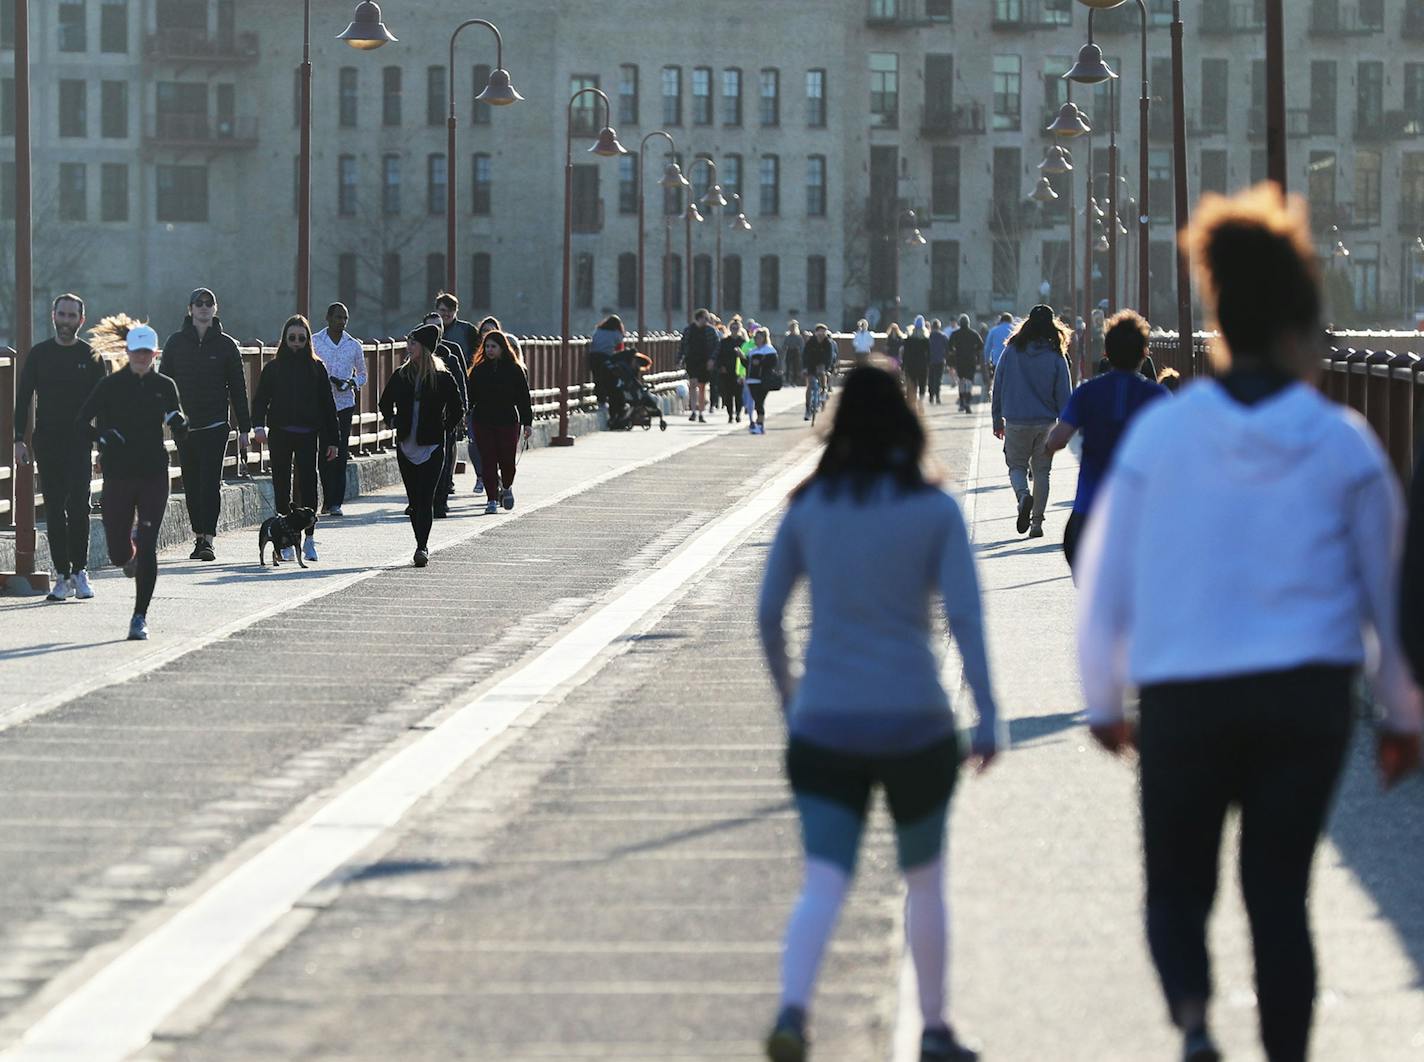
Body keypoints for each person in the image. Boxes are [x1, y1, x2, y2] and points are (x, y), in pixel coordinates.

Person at [1078, 183, 1422, 1062]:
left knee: (1177, 884)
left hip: (1184, 692)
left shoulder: (1163, 436)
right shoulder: (1345, 442)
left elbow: (1107, 578)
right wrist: (1403, 713)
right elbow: (1388, 596)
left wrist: (1101, 696)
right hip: (1304, 697)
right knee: (1279, 894)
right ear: (1303, 334)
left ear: (1222, 324)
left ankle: (1194, 1023)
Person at [758, 362, 1000, 1062]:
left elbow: (769, 615)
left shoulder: (809, 505)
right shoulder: (934, 508)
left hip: (826, 718)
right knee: (923, 879)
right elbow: (965, 616)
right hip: (916, 718)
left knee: (826, 877)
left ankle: (794, 1011)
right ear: (907, 418)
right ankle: (935, 1029)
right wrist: (987, 712)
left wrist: (790, 697)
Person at [76, 319, 188, 641]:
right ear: (127, 352)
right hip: (119, 475)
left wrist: (179, 423)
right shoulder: (110, 386)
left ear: (154, 353)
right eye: (136, 352)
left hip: (153, 472)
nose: (141, 357)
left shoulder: (165, 385)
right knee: (118, 553)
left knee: (150, 546)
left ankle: (139, 617)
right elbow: (80, 422)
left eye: (146, 352)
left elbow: (178, 424)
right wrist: (101, 436)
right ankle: (130, 557)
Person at [1043, 310, 1168, 572]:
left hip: (1091, 510)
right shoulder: (1156, 396)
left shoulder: (1088, 392)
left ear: (1106, 353)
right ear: (1144, 353)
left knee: (1087, 578)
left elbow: (1058, 439)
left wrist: (1047, 447)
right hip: (1141, 515)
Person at [13, 293, 107, 601]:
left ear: (81, 319)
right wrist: (18, 440)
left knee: (79, 507)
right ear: (53, 316)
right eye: (61, 314)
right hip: (48, 440)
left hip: (80, 441)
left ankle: (80, 572)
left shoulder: (91, 356)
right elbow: (23, 397)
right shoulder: (40, 355)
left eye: (71, 316)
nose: (66, 321)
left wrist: (104, 447)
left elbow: (104, 406)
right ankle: (62, 576)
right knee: (53, 509)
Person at [161, 288, 252, 563]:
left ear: (215, 309)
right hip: (185, 427)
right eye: (198, 304)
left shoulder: (226, 345)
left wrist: (245, 428)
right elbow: (163, 384)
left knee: (210, 483)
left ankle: (208, 540)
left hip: (215, 425)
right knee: (191, 482)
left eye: (208, 303)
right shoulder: (176, 343)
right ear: (190, 309)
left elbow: (238, 388)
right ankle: (198, 535)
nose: (203, 308)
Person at [250, 315, 340, 564]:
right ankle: (283, 540)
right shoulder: (273, 368)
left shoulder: (317, 368)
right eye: (292, 338)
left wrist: (334, 440)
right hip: (279, 433)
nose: (297, 343)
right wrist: (258, 426)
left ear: (308, 340)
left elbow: (327, 406)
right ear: (284, 339)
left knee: (309, 483)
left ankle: (309, 539)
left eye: (302, 338)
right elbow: (260, 401)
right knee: (281, 484)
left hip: (309, 434)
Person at [378, 323, 463, 566]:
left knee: (426, 499)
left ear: (424, 347)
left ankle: (421, 546)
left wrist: (445, 429)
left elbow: (458, 407)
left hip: (432, 446)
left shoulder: (442, 377)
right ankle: (420, 540)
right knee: (414, 501)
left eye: (413, 343)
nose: (408, 347)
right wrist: (392, 420)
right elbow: (385, 402)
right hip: (406, 444)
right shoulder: (401, 375)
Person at [990, 305, 1072, 539]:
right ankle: (1037, 523)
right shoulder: (1057, 354)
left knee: (1016, 466)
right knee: (1042, 472)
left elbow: (998, 384)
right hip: (1046, 422)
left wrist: (997, 418)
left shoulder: (1012, 350)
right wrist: (1065, 424)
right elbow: (1064, 392)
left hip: (1016, 419)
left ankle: (1023, 495)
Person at [467, 329, 534, 514]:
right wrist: (464, 415)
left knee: (507, 460)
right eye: (487, 346)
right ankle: (491, 500)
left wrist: (527, 423)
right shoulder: (478, 371)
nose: (489, 350)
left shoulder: (514, 370)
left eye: (493, 347)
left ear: (502, 348)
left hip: (508, 420)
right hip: (483, 420)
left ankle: (506, 487)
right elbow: (470, 397)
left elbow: (523, 399)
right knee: (488, 460)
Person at [312, 302, 365, 518]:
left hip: (343, 403)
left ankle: (336, 502)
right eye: (337, 317)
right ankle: (325, 497)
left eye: (345, 318)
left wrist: (350, 382)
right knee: (324, 450)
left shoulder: (353, 345)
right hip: (321, 404)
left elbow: (363, 374)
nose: (341, 322)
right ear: (328, 318)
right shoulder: (315, 341)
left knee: (341, 450)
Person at [420, 311, 469, 517]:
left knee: (444, 458)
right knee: (419, 460)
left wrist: (462, 411)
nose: (436, 331)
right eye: (431, 327)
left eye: (439, 327)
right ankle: (420, 500)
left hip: (445, 416)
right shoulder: (415, 353)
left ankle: (440, 501)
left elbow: (461, 383)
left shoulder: (451, 353)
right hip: (421, 417)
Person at [466, 315, 502, 493]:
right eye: (484, 331)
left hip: (500, 410)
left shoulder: (506, 356)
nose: (487, 334)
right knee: (474, 443)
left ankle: (493, 478)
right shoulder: (474, 354)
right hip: (477, 408)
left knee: (495, 446)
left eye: (491, 331)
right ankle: (481, 476)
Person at [679, 308, 718, 423]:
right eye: (705, 318)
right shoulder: (689, 330)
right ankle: (693, 411)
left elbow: (716, 346)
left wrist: (712, 360)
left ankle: (701, 412)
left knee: (702, 387)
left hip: (705, 361)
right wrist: (679, 359)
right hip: (692, 360)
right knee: (693, 384)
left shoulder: (711, 331)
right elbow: (682, 345)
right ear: (699, 319)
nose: (706, 321)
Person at [744, 327, 779, 435]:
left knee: (759, 403)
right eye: (755, 337)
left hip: (762, 381)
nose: (756, 339)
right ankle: (758, 425)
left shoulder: (769, 350)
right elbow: (747, 365)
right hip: (751, 380)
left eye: (759, 337)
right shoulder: (753, 351)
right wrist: (741, 357)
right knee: (757, 403)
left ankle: (760, 425)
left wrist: (760, 363)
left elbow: (773, 363)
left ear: (764, 338)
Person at [717, 319, 748, 424]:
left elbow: (746, 359)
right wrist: (721, 366)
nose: (734, 330)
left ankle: (738, 413)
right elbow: (719, 356)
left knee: (738, 395)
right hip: (727, 372)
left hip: (739, 372)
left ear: (739, 329)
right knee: (728, 395)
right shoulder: (724, 342)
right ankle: (730, 415)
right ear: (730, 328)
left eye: (736, 328)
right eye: (733, 328)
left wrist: (744, 373)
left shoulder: (743, 342)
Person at [948, 316, 982, 414]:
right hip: (971, 360)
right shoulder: (973, 333)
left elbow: (950, 346)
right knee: (969, 381)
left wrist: (954, 351)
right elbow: (981, 345)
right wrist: (974, 351)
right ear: (968, 323)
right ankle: (967, 400)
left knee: (961, 380)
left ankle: (962, 401)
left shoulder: (955, 334)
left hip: (959, 360)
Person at [802, 323, 835, 421]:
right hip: (811, 364)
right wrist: (805, 367)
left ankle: (823, 390)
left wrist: (827, 368)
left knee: (822, 372)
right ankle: (808, 408)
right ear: (816, 333)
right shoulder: (810, 342)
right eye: (820, 332)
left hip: (822, 364)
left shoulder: (828, 343)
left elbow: (830, 357)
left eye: (823, 332)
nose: (822, 335)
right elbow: (805, 355)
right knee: (810, 384)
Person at [902, 316, 931, 406]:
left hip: (911, 364)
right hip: (922, 364)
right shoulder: (925, 340)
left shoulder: (909, 339)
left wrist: (903, 365)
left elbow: (905, 353)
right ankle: (921, 400)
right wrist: (928, 363)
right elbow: (929, 353)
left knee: (912, 384)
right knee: (922, 383)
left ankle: (912, 401)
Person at [982, 312, 1014, 383]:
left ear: (1001, 321)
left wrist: (987, 362)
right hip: (1012, 362)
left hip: (997, 362)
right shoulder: (1015, 330)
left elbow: (987, 348)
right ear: (1011, 321)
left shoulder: (993, 330)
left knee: (997, 383)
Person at [927, 318, 950, 406]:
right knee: (938, 379)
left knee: (931, 378)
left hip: (930, 360)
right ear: (939, 326)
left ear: (932, 327)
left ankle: (931, 395)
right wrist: (946, 358)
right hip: (940, 360)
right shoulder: (943, 336)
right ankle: (937, 396)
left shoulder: (929, 336)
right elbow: (948, 349)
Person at [782, 320, 805, 386]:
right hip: (789, 351)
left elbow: (801, 346)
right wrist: (783, 350)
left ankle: (794, 381)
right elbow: (784, 345)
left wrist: (801, 353)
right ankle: (787, 380)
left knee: (795, 367)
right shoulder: (788, 336)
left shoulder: (798, 337)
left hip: (796, 351)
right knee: (788, 366)